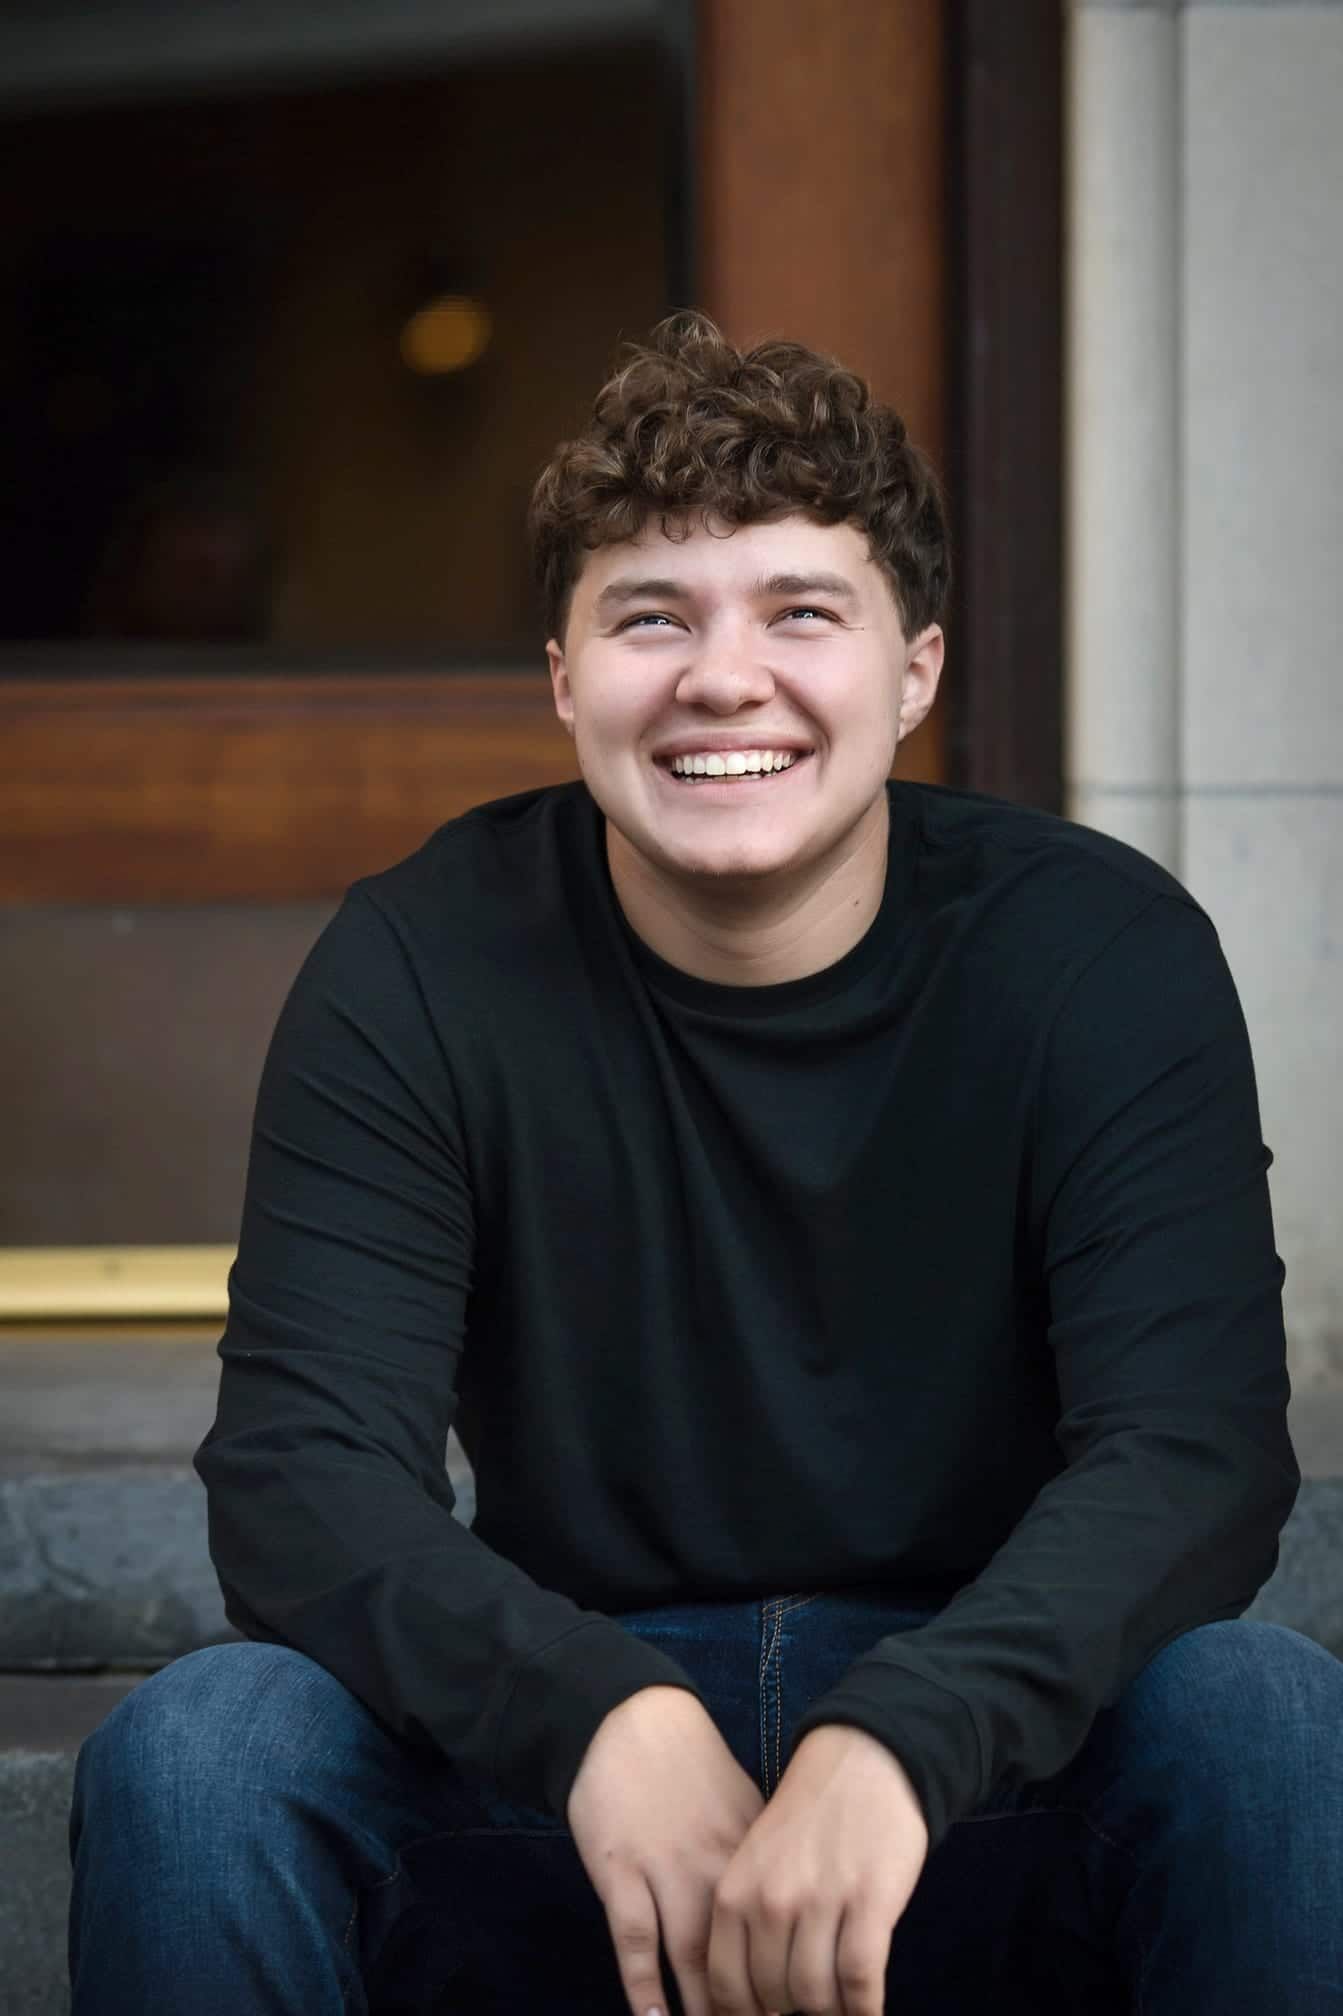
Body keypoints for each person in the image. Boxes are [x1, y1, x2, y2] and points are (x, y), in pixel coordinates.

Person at [69, 313, 1342, 2016]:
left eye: (801, 611)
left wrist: (907, 1733)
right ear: (564, 679)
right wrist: (597, 1717)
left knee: (1259, 1718)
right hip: (571, 1772)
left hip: (982, 1757)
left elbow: (1192, 1457)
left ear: (917, 671)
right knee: (204, 1748)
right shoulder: (419, 963)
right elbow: (303, 1479)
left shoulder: (1099, 956)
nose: (721, 678)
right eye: (649, 616)